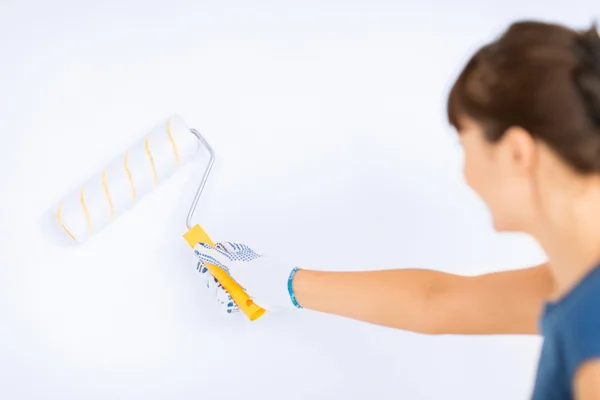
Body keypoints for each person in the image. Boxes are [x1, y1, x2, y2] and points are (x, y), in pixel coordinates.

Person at [193, 20, 600, 399]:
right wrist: (282, 283)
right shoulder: (575, 281)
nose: (465, 174)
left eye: (466, 146)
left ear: (515, 153)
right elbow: (438, 302)